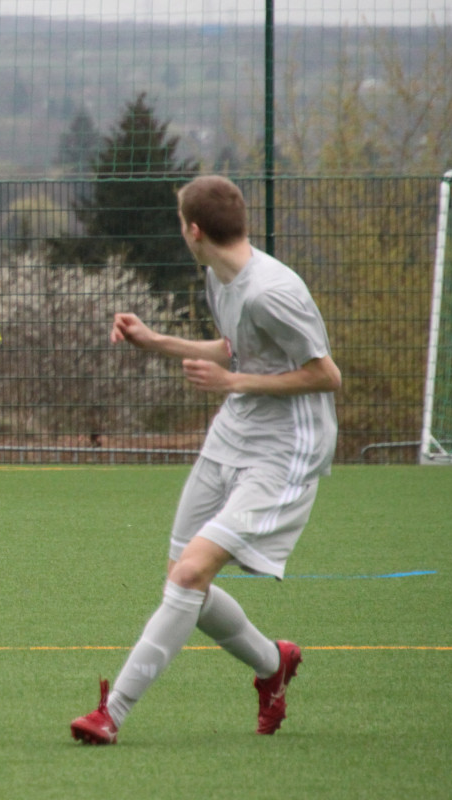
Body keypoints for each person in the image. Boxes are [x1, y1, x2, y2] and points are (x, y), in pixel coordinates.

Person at [71, 174, 342, 743]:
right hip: (237, 430)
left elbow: (325, 374)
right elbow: (237, 348)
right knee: (182, 577)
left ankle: (111, 713)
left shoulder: (273, 289)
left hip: (285, 450)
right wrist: (157, 342)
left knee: (192, 572)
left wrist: (231, 380)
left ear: (193, 230)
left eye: (178, 221)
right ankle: (273, 663)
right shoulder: (221, 276)